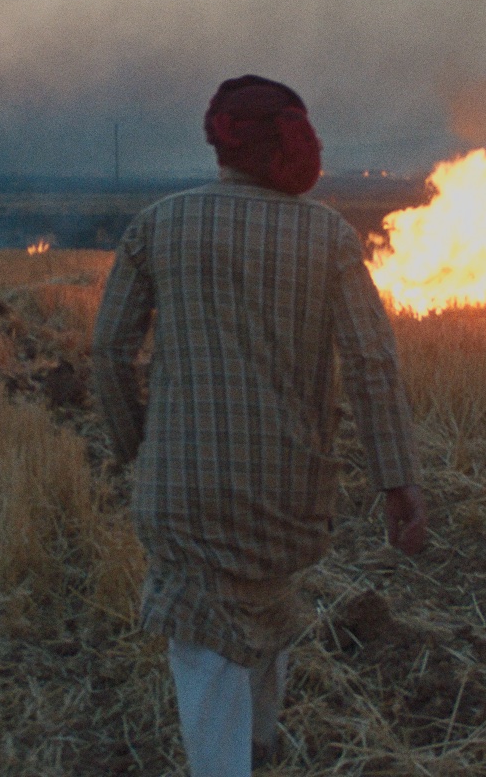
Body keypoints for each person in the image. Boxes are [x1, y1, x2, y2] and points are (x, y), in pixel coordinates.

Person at [92, 75, 427, 777]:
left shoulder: (157, 224)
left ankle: (235, 757)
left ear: (221, 139)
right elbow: (371, 364)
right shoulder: (328, 235)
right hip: (290, 491)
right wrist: (397, 483)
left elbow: (109, 349)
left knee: (206, 647)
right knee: (269, 607)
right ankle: (259, 745)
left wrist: (137, 444)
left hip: (185, 492)